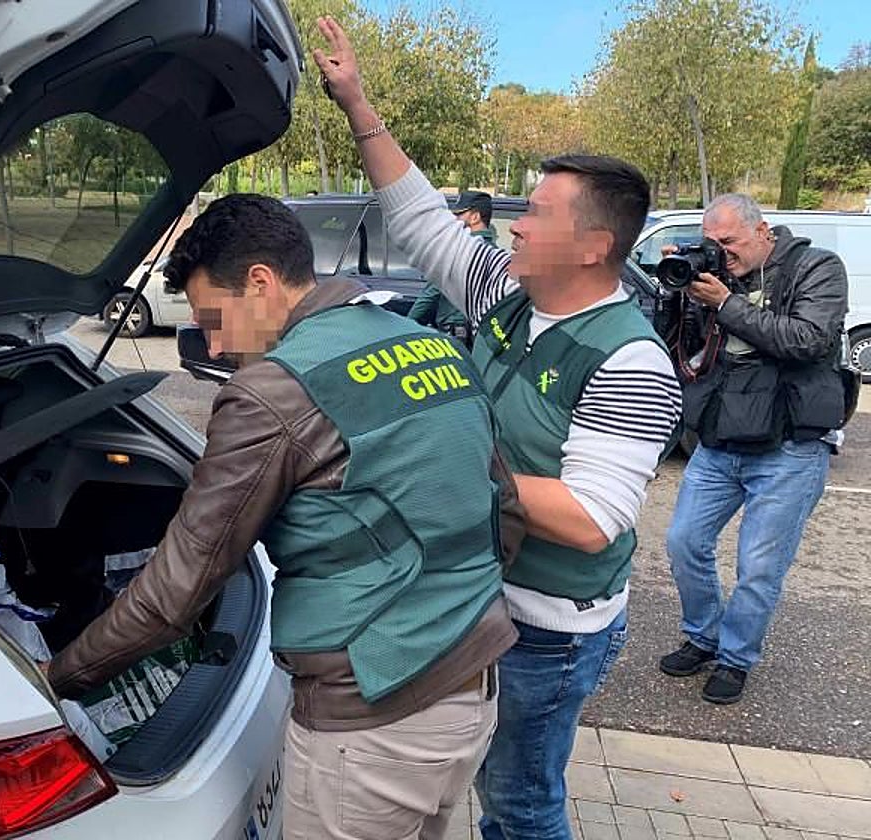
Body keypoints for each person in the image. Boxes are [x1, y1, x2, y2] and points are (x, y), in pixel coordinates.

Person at [46, 193, 526, 839]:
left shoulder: (273, 390)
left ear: (261, 282)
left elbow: (177, 592)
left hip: (372, 718)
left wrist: (57, 678)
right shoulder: (427, 344)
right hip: (472, 685)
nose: (212, 344)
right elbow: (505, 508)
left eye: (213, 317)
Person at [311, 16, 682, 839]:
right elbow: (418, 217)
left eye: (539, 213)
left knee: (520, 804)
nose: (515, 223)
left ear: (594, 246)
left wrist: (435, 465)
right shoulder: (506, 296)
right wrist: (357, 104)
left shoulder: (631, 363)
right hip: (483, 600)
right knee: (484, 782)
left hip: (548, 627)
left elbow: (590, 520)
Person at [659, 193, 848, 705]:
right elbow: (685, 350)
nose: (721, 252)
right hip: (723, 438)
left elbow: (807, 340)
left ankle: (735, 657)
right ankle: (703, 634)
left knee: (759, 567)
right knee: (683, 543)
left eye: (729, 242)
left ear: (763, 230)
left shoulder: (817, 268)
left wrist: (726, 303)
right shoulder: (717, 278)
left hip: (789, 444)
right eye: (711, 243)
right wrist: (676, 295)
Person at [408, 191, 495, 340]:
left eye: (459, 214)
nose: (455, 219)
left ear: (475, 217)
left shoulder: (458, 251)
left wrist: (407, 327)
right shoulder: (495, 253)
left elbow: (431, 295)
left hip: (454, 337)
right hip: (480, 340)